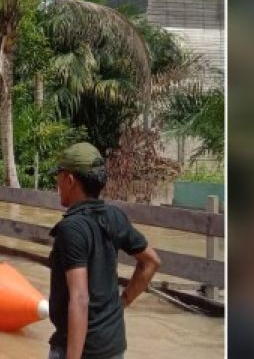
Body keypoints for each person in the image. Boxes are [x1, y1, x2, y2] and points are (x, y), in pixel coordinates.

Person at [48, 143, 161, 359]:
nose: (57, 185)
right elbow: (151, 262)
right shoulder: (114, 216)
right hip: (113, 346)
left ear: (70, 180)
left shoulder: (71, 228)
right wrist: (124, 301)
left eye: (59, 178)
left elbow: (80, 298)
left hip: (82, 350)